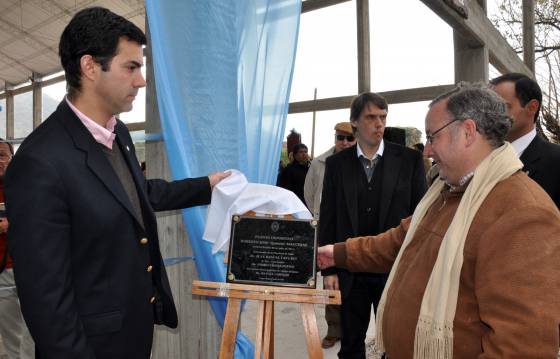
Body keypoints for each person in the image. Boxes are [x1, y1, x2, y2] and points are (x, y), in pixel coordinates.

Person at [5, 7, 229, 359]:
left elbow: (137, 195)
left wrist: (206, 185)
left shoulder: (117, 133)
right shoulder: (40, 161)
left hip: (131, 332)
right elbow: (45, 301)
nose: (141, 80)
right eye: (131, 67)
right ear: (90, 67)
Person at [317, 83, 560, 358]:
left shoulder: (523, 214)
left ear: (467, 132)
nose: (427, 151)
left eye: (433, 137)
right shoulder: (448, 192)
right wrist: (338, 253)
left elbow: (521, 348)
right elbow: (399, 241)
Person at [319, 92, 426, 358]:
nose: (379, 123)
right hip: (349, 270)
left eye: (383, 117)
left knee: (396, 343)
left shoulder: (409, 161)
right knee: (351, 344)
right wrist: (329, 269)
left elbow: (421, 216)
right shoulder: (336, 165)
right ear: (354, 122)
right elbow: (329, 215)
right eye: (371, 117)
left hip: (394, 269)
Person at [303, 121, 355, 349]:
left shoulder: (363, 163)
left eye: (349, 138)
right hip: (329, 231)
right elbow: (310, 193)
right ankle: (334, 329)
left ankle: (354, 330)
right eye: (339, 138)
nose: (344, 143)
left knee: (356, 283)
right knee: (331, 282)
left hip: (356, 232)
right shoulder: (319, 163)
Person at [490, 73, 560, 208]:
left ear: (532, 107)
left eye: (501, 107)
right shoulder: (480, 158)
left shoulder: (556, 161)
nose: (491, 115)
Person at [0, 139, 34, 359]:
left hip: (29, 269)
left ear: (12, 158)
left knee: (35, 327)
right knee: (10, 330)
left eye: (2, 155)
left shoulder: (26, 185)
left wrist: (14, 223)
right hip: (2, 272)